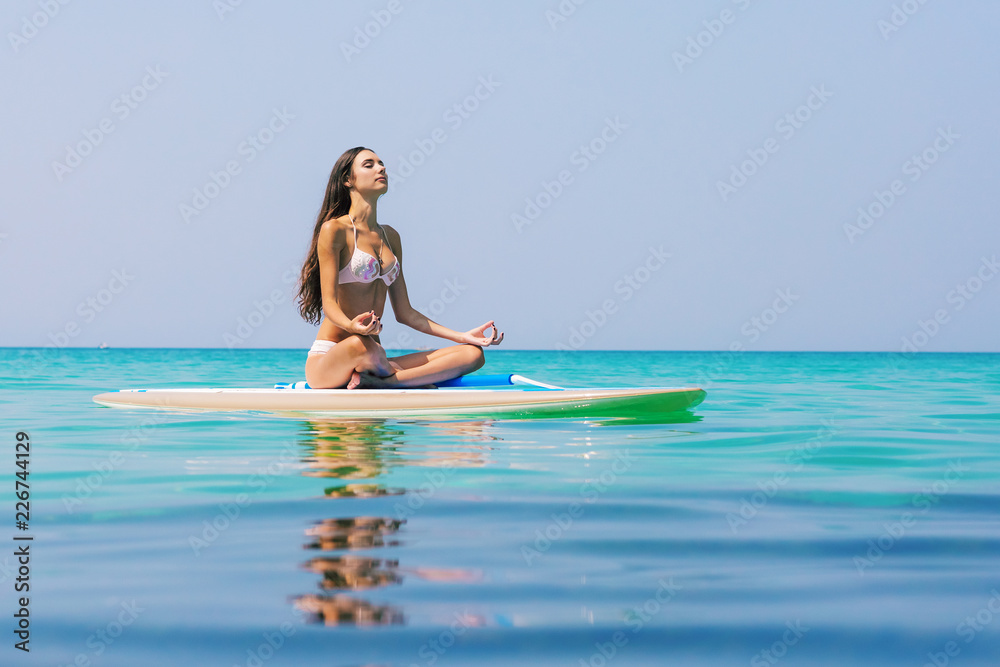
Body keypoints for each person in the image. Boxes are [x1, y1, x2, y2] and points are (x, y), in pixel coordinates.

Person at [296, 146, 503, 389]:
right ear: (347, 180)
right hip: (333, 359)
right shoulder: (335, 230)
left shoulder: (390, 236)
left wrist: (462, 336)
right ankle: (398, 379)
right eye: (369, 164)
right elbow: (329, 304)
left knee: (473, 354)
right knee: (359, 345)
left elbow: (405, 313)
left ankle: (384, 381)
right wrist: (352, 327)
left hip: (375, 358)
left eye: (381, 163)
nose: (381, 168)